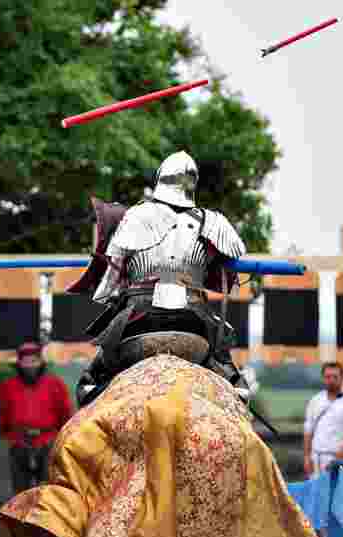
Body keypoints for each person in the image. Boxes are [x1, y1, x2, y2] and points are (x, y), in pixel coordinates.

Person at [67, 151, 249, 407]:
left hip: (140, 315)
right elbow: (237, 256)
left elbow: (107, 285)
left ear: (160, 179)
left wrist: (111, 296)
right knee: (231, 378)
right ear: (193, 183)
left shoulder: (136, 216)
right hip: (192, 317)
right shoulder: (214, 221)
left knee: (91, 383)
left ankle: (92, 400)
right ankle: (237, 391)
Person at [0, 342, 74, 497]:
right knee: (20, 492)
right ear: (19, 363)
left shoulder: (55, 385)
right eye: (26, 361)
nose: (30, 365)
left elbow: (65, 413)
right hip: (19, 441)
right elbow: (2, 416)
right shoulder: (7, 387)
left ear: (40, 362)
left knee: (48, 489)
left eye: (34, 361)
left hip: (47, 441)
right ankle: (20, 520)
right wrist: (10, 438)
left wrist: (58, 439)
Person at [303, 362, 343, 479]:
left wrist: (335, 462)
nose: (331, 380)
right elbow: (308, 430)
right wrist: (307, 457)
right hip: (317, 459)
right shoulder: (316, 400)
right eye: (327, 377)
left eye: (335, 377)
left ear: (342, 378)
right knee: (318, 496)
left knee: (340, 496)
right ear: (323, 378)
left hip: (340, 461)